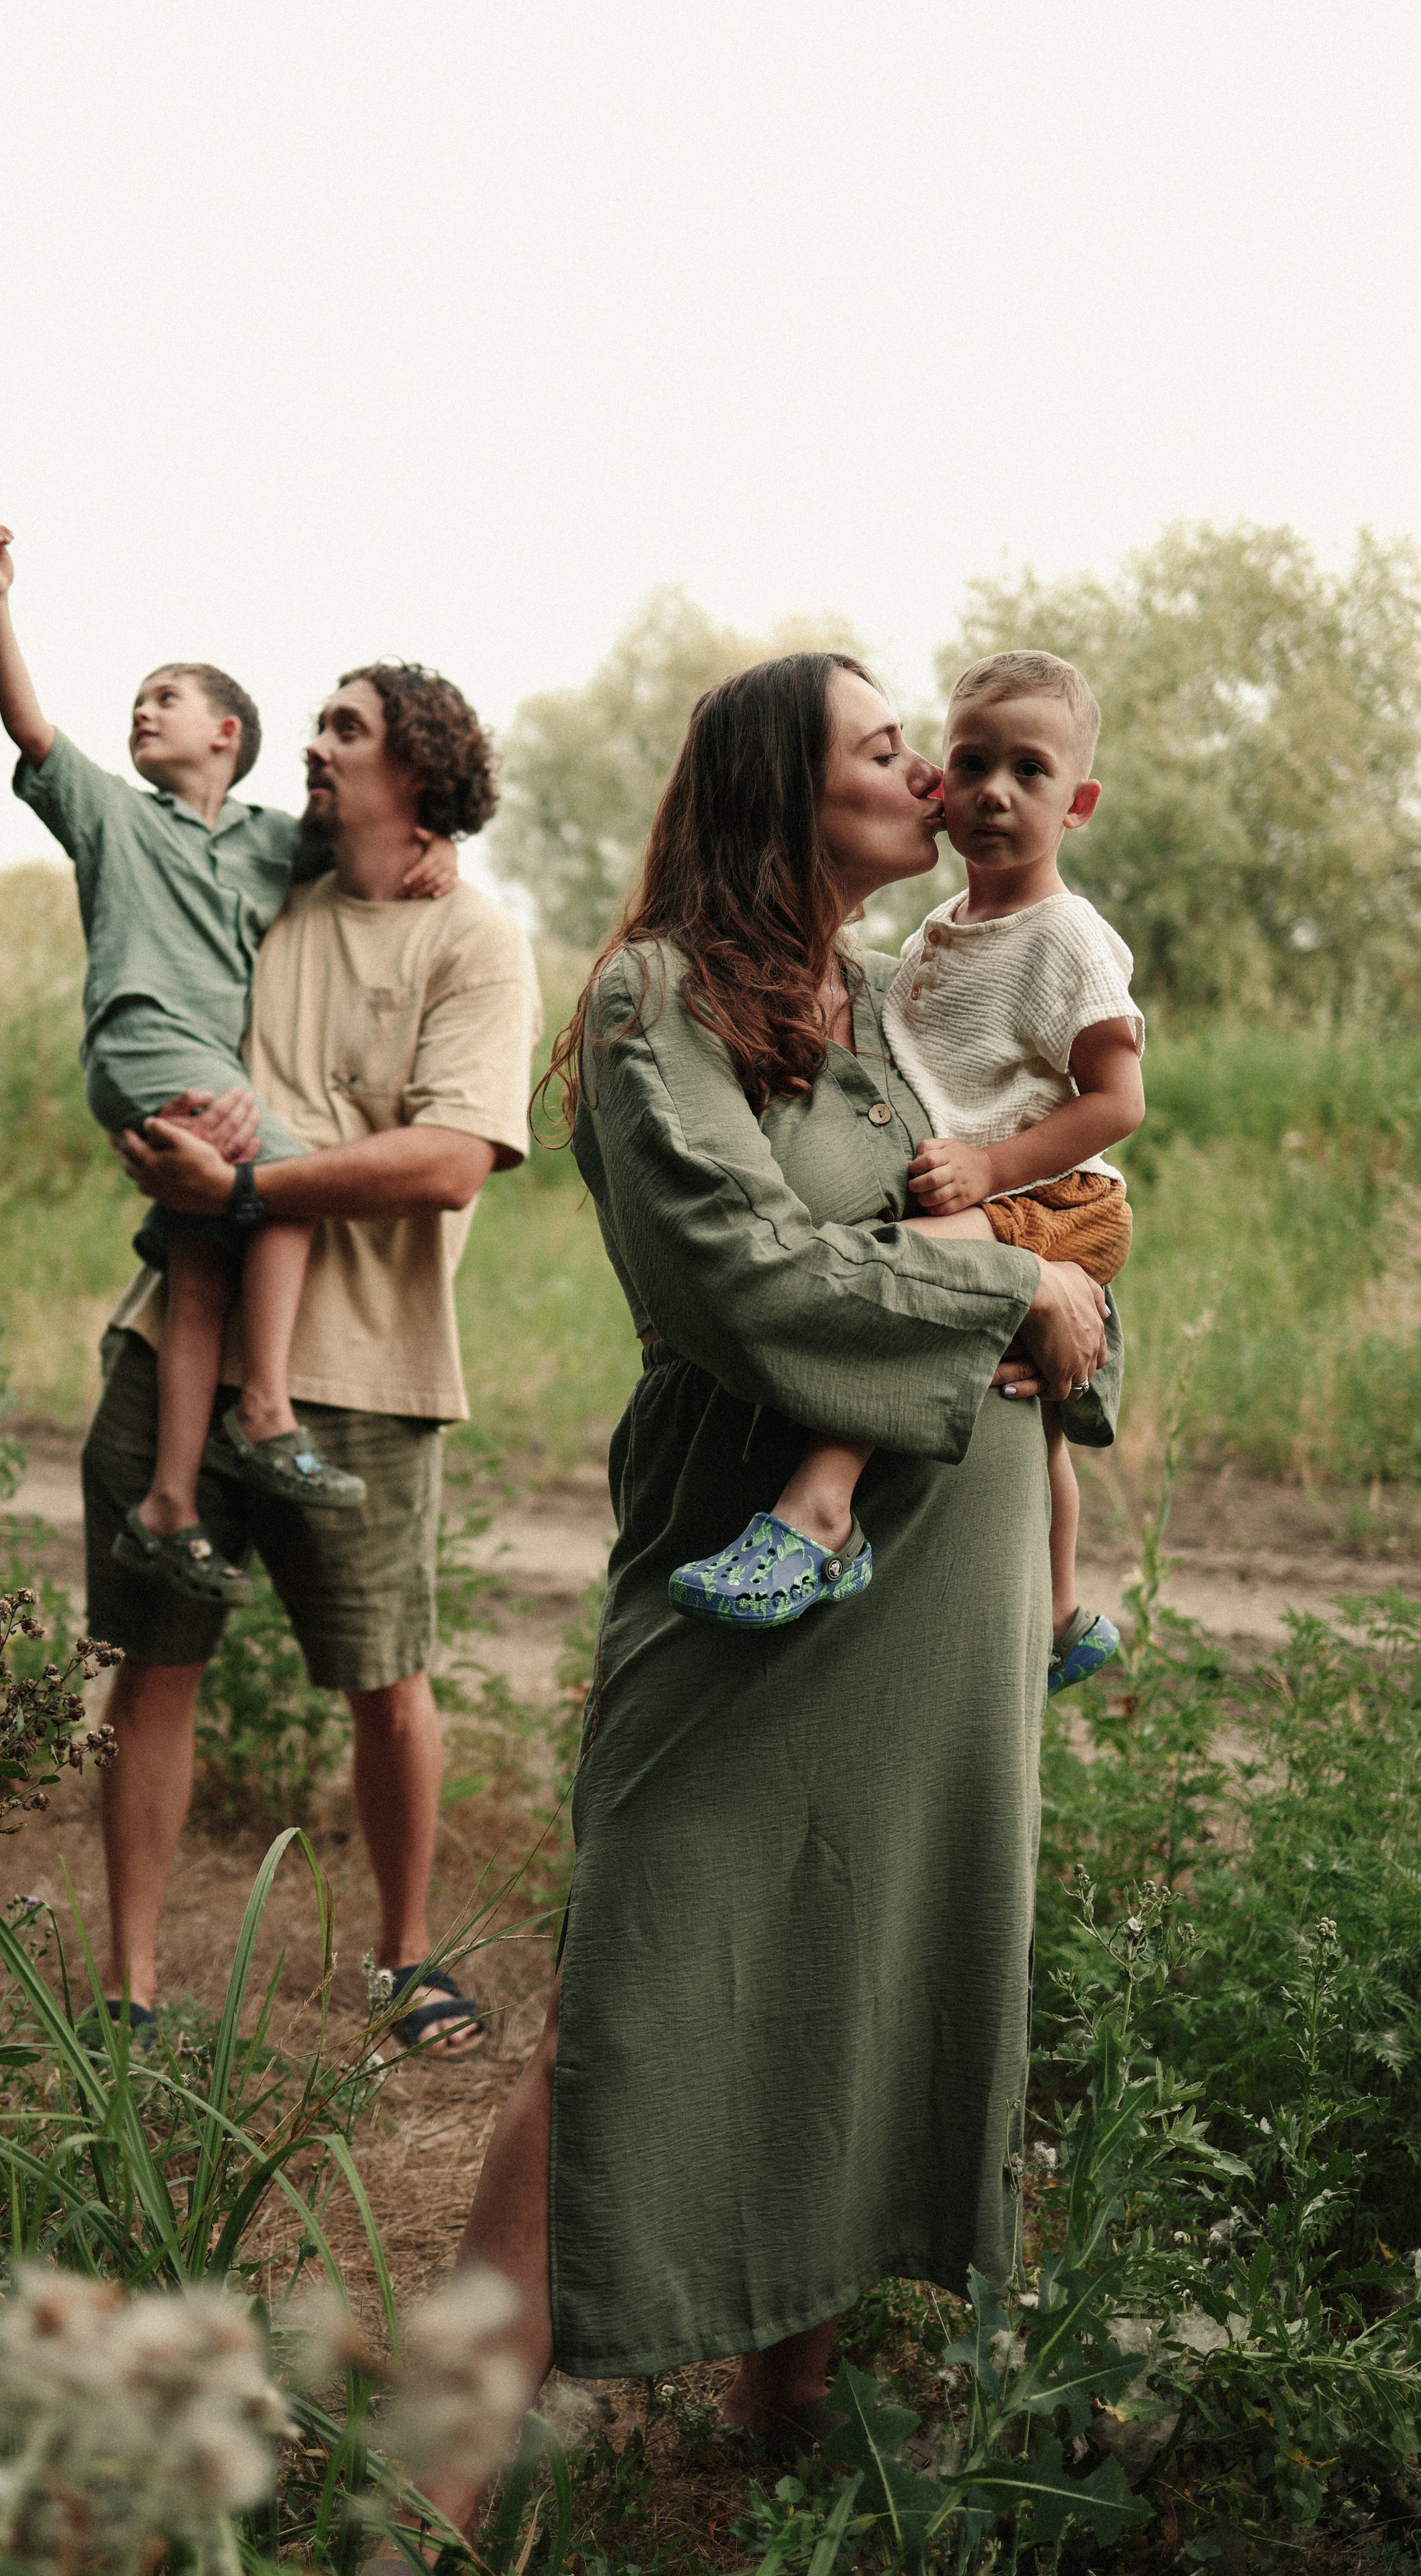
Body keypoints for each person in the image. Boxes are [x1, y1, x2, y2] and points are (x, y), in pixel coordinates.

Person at [405, 650, 1115, 2542]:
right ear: (775, 796)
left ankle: (783, 2444)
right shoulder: (653, 1003)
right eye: (884, 748)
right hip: (759, 1579)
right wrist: (1008, 1301)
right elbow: (744, 1270)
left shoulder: (899, 1006)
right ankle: (433, 2488)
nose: (931, 774)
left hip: (944, 1595)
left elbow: (1049, 1225)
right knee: (642, 1986)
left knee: (861, 1978)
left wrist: (1066, 1315)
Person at [90, 661, 543, 2053]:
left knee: (385, 1680)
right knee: (150, 1668)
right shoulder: (262, 890)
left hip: (369, 1371)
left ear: (419, 771)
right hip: (180, 1340)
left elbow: (451, 1162)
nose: (316, 743)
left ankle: (404, 1963)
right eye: (319, 722)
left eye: (347, 727)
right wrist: (151, 1133)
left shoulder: (471, 939)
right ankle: (129, 1989)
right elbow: (151, 988)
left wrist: (237, 1194)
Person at [0, 523, 457, 1608]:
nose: (142, 712)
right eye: (138, 701)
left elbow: (383, 826)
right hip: (148, 1047)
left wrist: (445, 846)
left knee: (201, 1281)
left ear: (227, 735)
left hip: (195, 1068)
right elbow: (28, 724)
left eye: (167, 698)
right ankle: (271, 1413)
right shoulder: (110, 818)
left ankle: (169, 1510)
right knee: (285, 1192)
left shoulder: (270, 840)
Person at [667, 649, 1143, 1697]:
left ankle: (821, 1504)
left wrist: (992, 1169)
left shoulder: (1067, 935)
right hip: (1015, 1202)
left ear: (1080, 804)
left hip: (1056, 1199)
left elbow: (1118, 1104)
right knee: (1041, 1423)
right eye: (968, 762)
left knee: (898, 1259)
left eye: (1030, 773)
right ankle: (1065, 1612)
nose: (980, 792)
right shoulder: (932, 939)